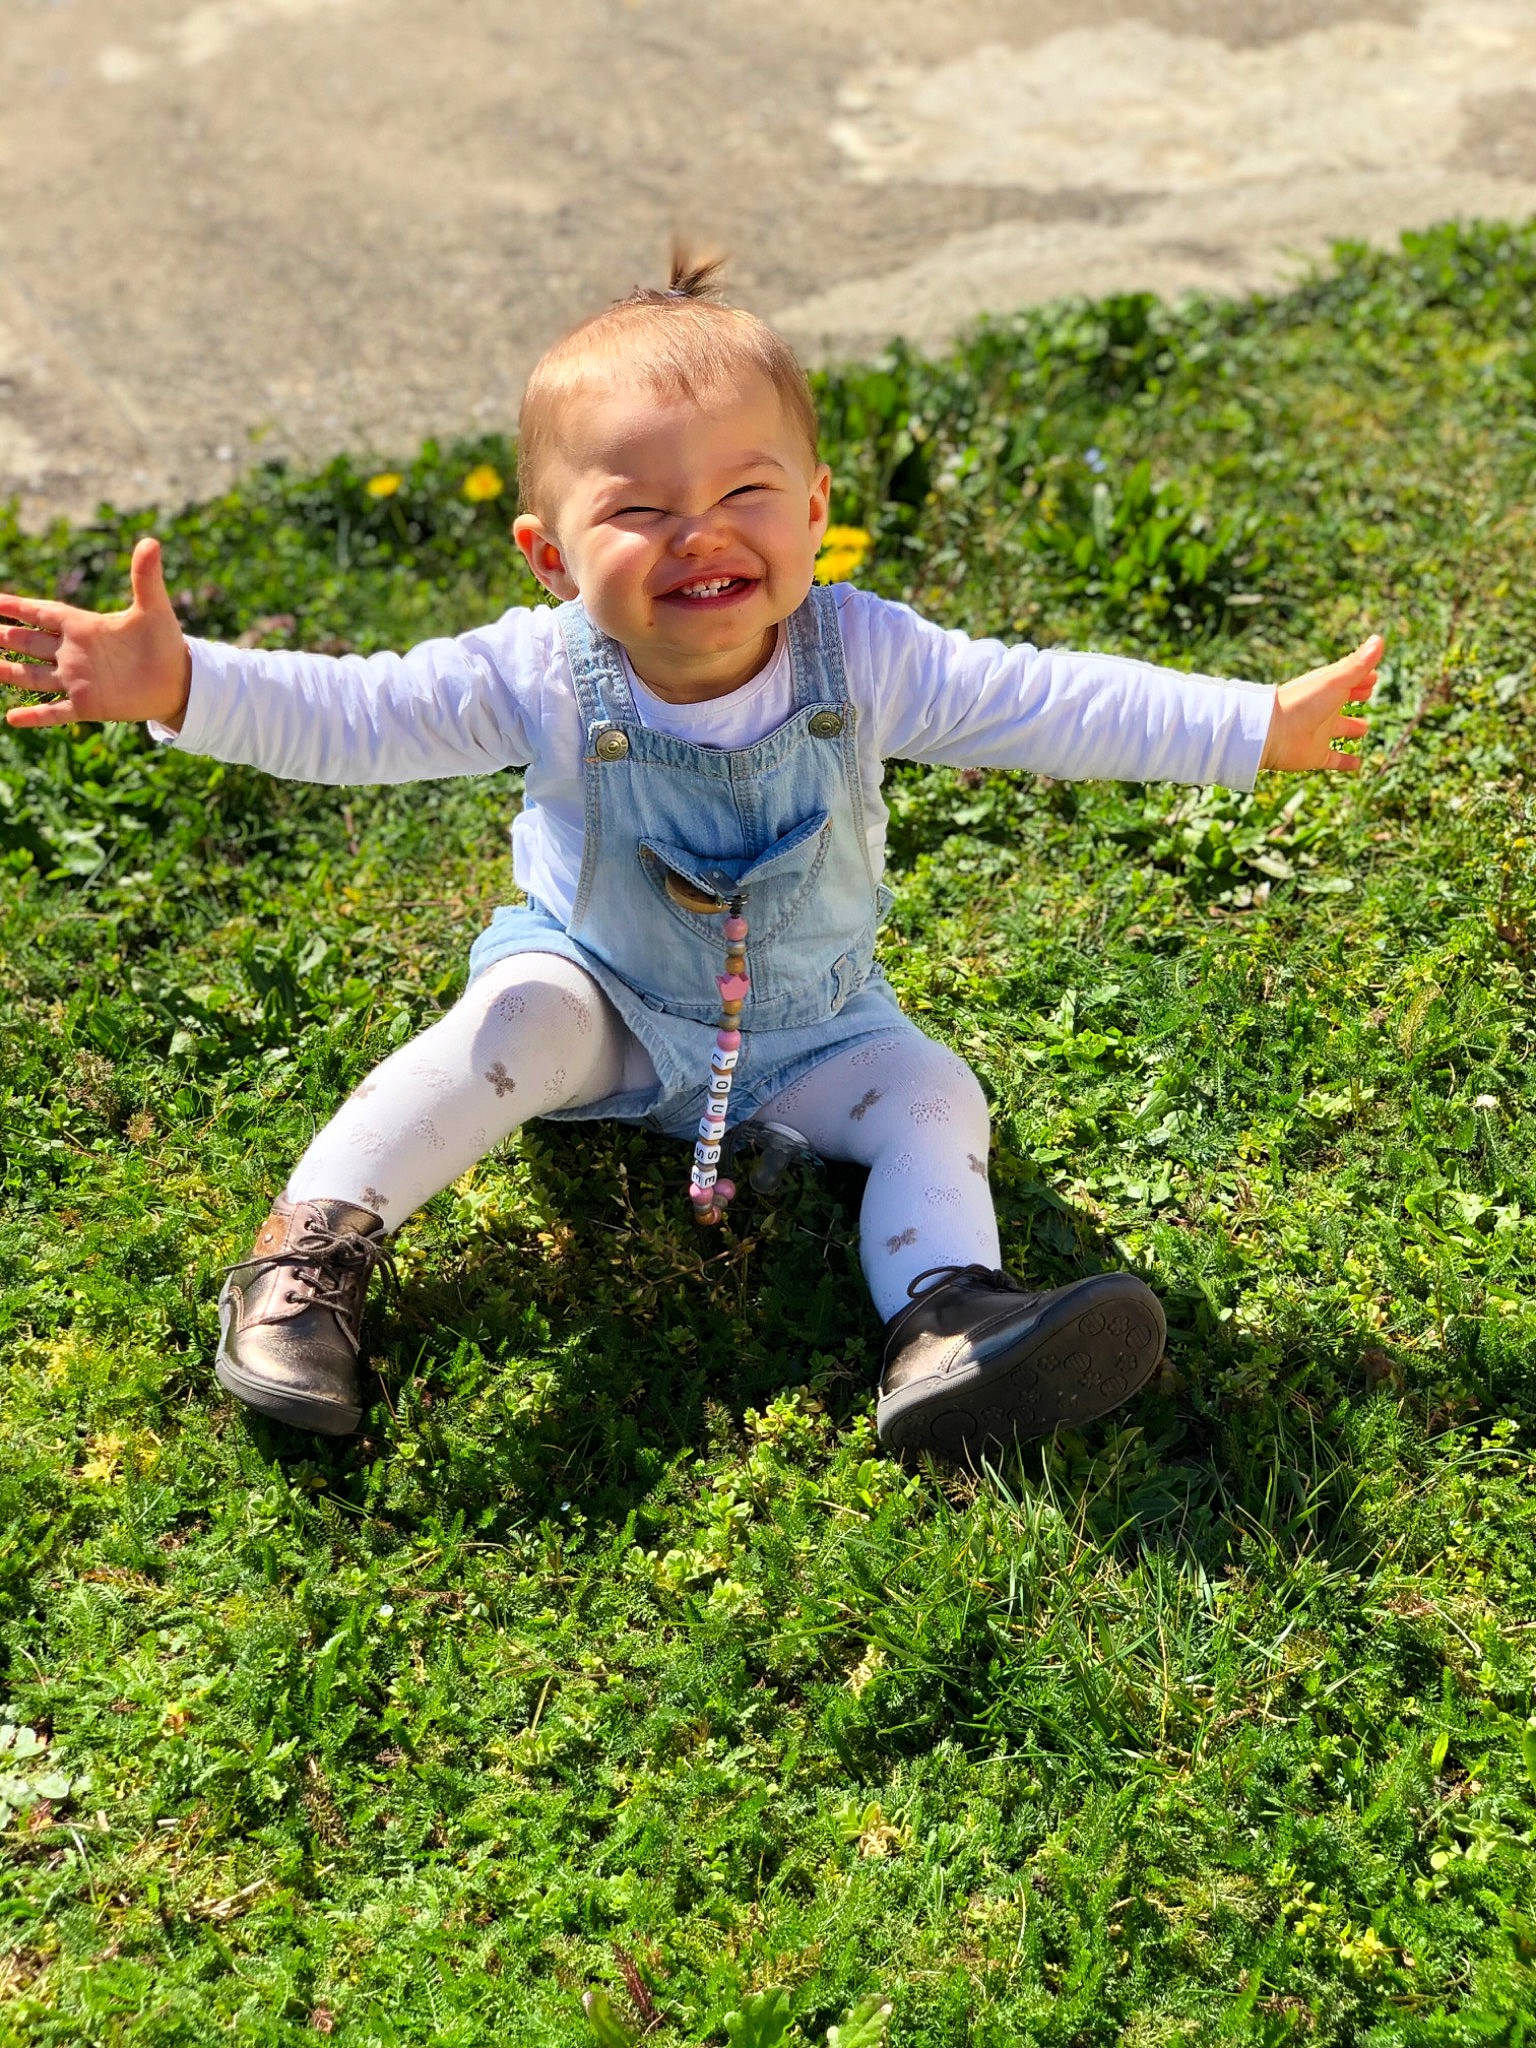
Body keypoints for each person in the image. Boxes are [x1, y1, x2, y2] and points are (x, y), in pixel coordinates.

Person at [0, 256, 1380, 1459]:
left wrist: (1249, 728)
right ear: (550, 557)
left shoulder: (867, 654)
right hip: (597, 1005)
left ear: (817, 506)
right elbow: (361, 714)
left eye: (744, 490)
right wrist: (185, 686)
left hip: (814, 1027)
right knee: (506, 1026)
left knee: (932, 1093)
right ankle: (307, 1260)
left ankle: (945, 1320)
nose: (700, 532)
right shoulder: (543, 674)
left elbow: (1050, 699)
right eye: (639, 511)